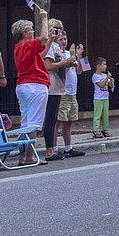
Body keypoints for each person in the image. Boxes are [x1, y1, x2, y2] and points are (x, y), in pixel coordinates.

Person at [12, 9, 51, 165]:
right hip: (36, 85)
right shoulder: (28, 45)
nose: (32, 33)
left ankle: (23, 155)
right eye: (30, 31)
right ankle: (30, 156)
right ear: (25, 33)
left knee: (26, 122)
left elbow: (41, 51)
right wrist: (44, 19)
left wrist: (51, 41)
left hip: (22, 85)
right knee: (33, 123)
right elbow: (43, 38)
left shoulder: (19, 48)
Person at [43, 23, 76, 162]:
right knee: (51, 120)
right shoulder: (50, 46)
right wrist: (66, 61)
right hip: (52, 86)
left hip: (59, 86)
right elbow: (49, 65)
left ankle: (55, 149)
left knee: (55, 119)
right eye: (56, 30)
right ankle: (50, 149)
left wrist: (70, 61)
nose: (59, 33)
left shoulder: (57, 48)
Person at [56, 34, 85, 158]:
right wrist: (72, 58)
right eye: (61, 39)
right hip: (62, 92)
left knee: (68, 121)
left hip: (72, 92)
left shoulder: (69, 54)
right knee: (58, 121)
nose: (64, 41)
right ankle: (54, 148)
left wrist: (79, 55)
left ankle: (68, 147)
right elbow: (61, 72)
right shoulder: (58, 55)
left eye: (65, 39)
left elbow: (79, 71)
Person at [92, 57, 113, 138]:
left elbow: (109, 85)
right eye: (104, 64)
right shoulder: (95, 76)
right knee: (98, 114)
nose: (105, 66)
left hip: (105, 97)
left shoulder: (104, 75)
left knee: (105, 114)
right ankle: (96, 130)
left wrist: (111, 81)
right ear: (98, 66)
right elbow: (101, 85)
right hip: (98, 98)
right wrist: (107, 78)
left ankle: (105, 129)